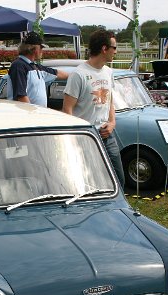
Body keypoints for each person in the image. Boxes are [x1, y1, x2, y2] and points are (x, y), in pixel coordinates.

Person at [62, 30, 125, 188]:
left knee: (118, 180)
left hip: (107, 135)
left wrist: (112, 123)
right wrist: (76, 137)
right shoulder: (78, 74)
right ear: (104, 48)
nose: (116, 52)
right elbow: (67, 110)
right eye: (114, 47)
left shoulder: (109, 72)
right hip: (86, 137)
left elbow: (109, 100)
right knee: (91, 182)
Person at [7, 31, 70, 107]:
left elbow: (57, 73)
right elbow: (21, 96)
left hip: (36, 112)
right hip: (27, 113)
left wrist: (75, 76)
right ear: (33, 48)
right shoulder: (19, 65)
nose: (42, 51)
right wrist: (32, 112)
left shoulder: (35, 66)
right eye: (41, 47)